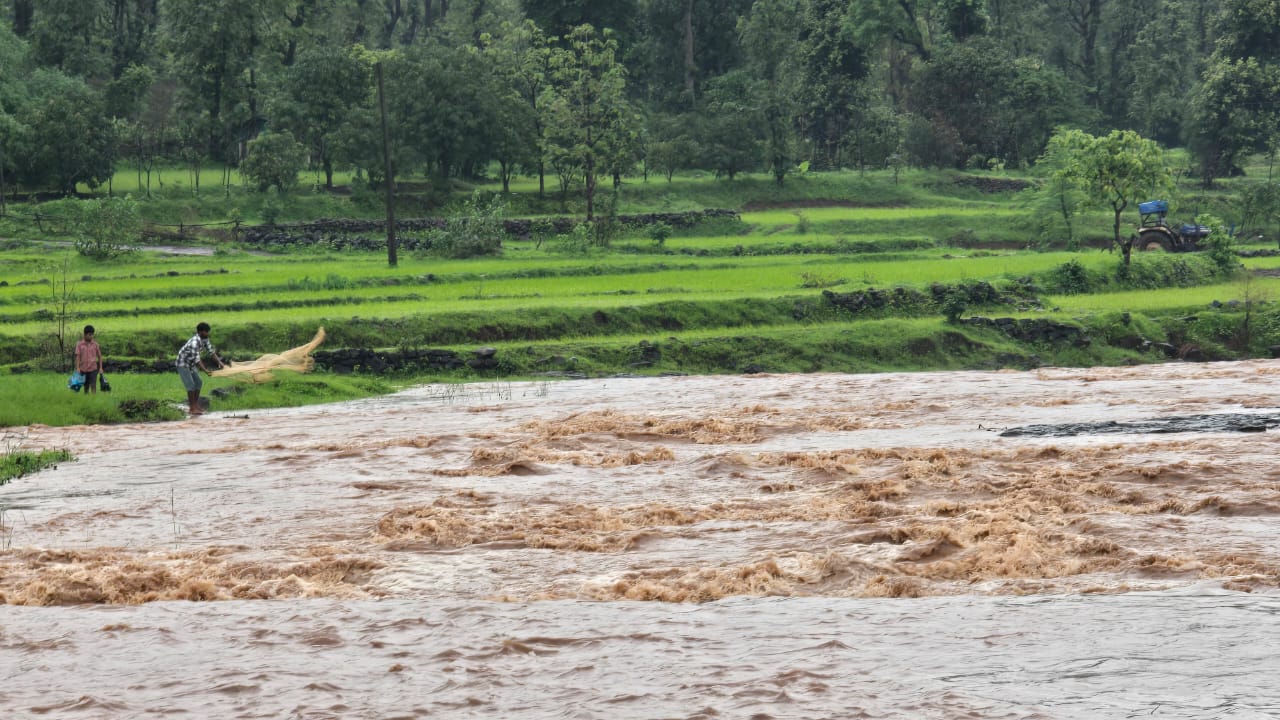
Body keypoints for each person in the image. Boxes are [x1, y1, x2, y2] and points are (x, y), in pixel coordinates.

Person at [176, 322, 225, 415]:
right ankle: (192, 408)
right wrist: (206, 370)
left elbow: (211, 351)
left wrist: (220, 363)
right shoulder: (194, 342)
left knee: (199, 382)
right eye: (206, 332)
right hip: (183, 363)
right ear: (200, 332)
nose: (207, 333)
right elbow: (197, 359)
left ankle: (195, 405)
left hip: (191, 363)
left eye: (208, 331)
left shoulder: (205, 339)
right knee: (190, 385)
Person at [74, 325, 103, 395]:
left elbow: (99, 356)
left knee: (93, 385)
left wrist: (101, 368)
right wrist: (78, 367)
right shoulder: (80, 344)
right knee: (86, 386)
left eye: (92, 334)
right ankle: (86, 398)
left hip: (93, 368)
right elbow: (78, 356)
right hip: (83, 369)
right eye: (90, 335)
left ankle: (94, 398)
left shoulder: (95, 344)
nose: (91, 336)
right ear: (85, 335)